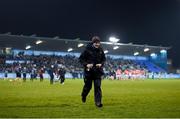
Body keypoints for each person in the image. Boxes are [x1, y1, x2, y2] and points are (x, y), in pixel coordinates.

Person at [79, 36, 106, 108]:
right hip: (89, 72)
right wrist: (86, 65)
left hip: (97, 72)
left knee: (97, 86)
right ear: (93, 43)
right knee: (88, 87)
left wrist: (101, 64)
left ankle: (98, 102)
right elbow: (81, 59)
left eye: (98, 43)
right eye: (96, 43)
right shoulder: (87, 50)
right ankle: (84, 95)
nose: (97, 44)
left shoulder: (101, 50)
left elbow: (104, 59)